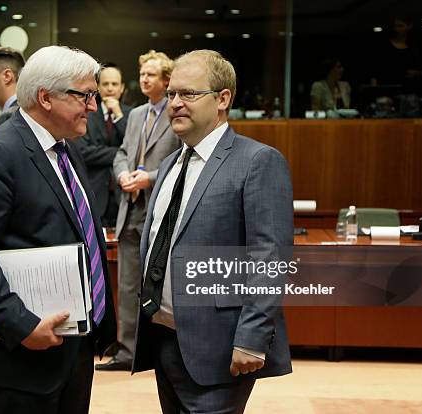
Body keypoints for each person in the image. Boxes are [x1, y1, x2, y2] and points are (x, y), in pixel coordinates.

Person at [0, 45, 117, 414]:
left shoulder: (67, 151)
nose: (93, 105)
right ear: (45, 97)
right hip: (17, 361)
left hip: (70, 348)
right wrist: (22, 325)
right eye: (85, 95)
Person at [132, 50, 293, 413]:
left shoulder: (257, 161)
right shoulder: (172, 162)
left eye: (188, 94)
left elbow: (270, 257)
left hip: (221, 347)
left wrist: (252, 338)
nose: (174, 103)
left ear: (222, 99)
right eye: (171, 94)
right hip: (165, 338)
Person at [96, 51, 181, 371]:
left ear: (166, 80)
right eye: (142, 74)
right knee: (127, 286)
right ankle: (127, 352)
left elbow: (180, 161)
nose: (144, 79)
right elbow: (121, 153)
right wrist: (122, 174)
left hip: (158, 210)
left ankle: (157, 352)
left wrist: (150, 178)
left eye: (151, 75)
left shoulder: (177, 113)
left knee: (158, 286)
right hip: (129, 209)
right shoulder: (135, 114)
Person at [74, 64, 133, 227]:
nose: (110, 88)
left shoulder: (132, 115)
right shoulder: (87, 114)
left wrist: (119, 116)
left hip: (123, 194)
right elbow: (83, 152)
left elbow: (134, 148)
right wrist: (121, 153)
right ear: (98, 87)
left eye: (114, 84)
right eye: (105, 84)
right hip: (95, 193)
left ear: (122, 88)